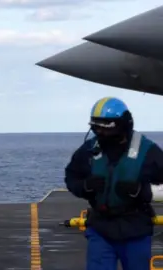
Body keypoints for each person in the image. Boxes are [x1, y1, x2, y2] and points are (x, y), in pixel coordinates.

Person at [64, 96, 163, 270]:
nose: (101, 134)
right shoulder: (88, 150)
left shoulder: (149, 152)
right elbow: (71, 177)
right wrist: (85, 186)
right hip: (101, 229)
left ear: (123, 124)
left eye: (106, 129)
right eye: (96, 128)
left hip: (136, 229)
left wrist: (143, 191)